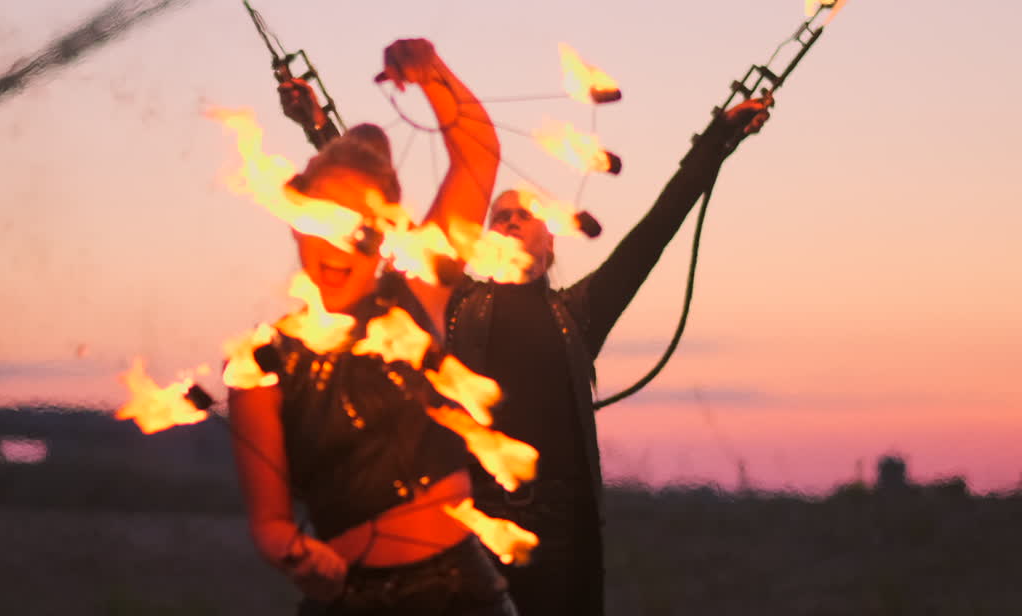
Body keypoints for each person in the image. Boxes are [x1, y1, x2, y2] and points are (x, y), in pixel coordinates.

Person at [443, 95, 774, 616]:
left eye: (523, 214)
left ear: (550, 242)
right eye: (499, 215)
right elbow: (383, 228)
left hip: (563, 542)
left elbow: (655, 230)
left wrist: (716, 142)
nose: (508, 220)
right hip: (477, 538)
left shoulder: (577, 314)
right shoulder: (457, 305)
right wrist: (317, 122)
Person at [228, 38, 517, 615]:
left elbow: (478, 153)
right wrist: (298, 558)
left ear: (383, 236)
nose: (339, 245)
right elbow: (270, 523)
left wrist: (431, 72)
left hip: (460, 593)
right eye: (324, 223)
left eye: (358, 229)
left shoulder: (415, 297)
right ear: (294, 225)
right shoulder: (258, 363)